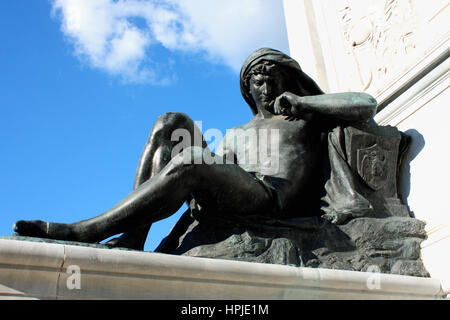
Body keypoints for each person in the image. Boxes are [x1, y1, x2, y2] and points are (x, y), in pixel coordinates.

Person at [13, 48, 377, 250]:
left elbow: (365, 103)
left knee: (191, 159)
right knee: (170, 122)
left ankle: (83, 232)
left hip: (272, 199)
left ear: (288, 77)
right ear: (247, 90)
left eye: (272, 75)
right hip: (242, 191)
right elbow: (222, 172)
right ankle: (133, 238)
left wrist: (307, 103)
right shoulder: (237, 132)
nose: (265, 84)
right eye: (256, 78)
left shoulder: (304, 117)